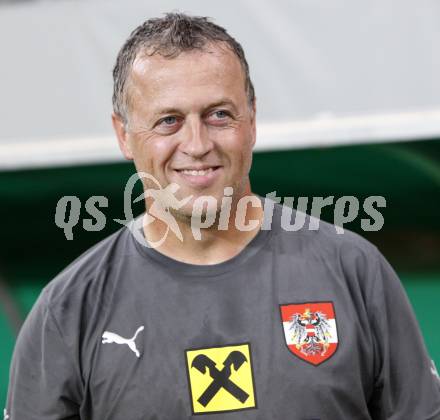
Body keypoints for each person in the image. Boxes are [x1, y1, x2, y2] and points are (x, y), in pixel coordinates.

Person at [5, 12, 440, 420]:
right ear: (124, 134)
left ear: (251, 120)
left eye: (218, 115)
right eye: (168, 121)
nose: (196, 144)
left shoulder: (353, 272)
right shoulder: (67, 312)